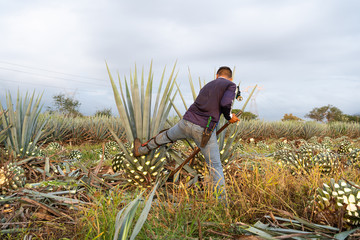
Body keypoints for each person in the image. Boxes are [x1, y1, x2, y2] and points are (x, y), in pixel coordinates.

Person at [133, 66, 240, 198]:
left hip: (185, 123)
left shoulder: (208, 85)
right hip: (203, 131)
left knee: (165, 135)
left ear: (217, 75)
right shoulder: (231, 85)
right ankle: (221, 203)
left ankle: (141, 150)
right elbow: (225, 103)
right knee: (215, 166)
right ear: (230, 78)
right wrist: (230, 117)